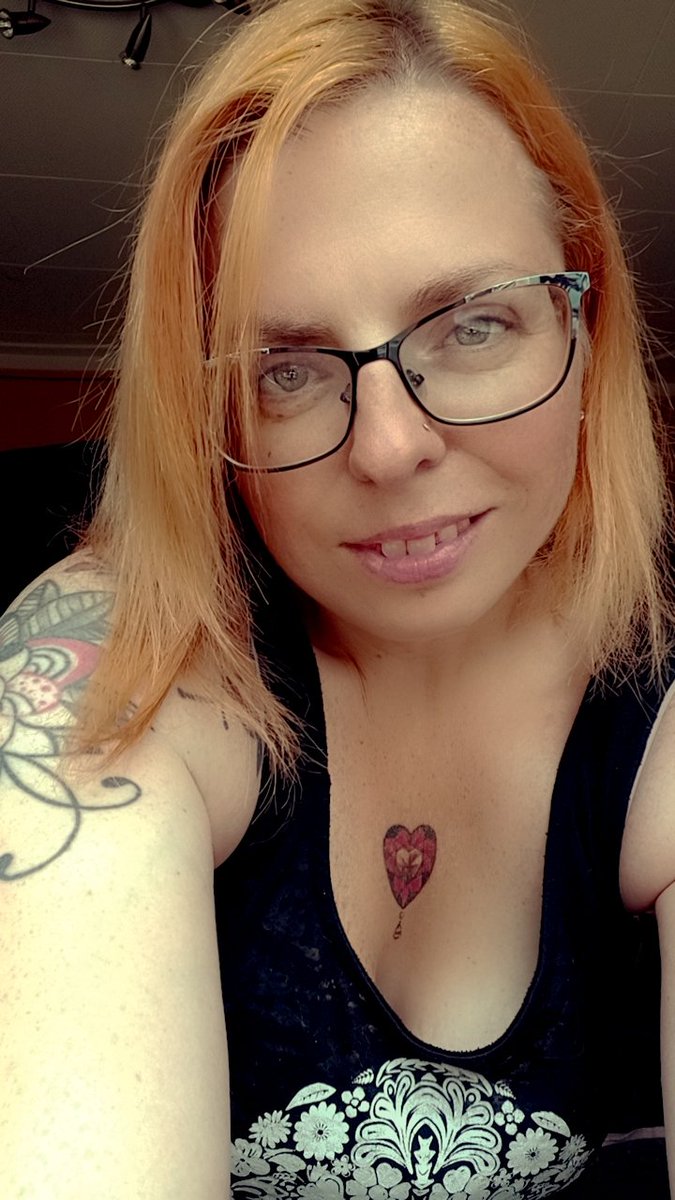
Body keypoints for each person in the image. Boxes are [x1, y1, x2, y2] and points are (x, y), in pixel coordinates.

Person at [1, 0, 674, 1195]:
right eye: (287, 370)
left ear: (587, 320)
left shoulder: (655, 691)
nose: (388, 447)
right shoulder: (113, 659)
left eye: (473, 325)